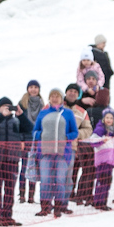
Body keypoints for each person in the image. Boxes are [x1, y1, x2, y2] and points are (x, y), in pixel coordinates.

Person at [32, 88, 78, 218]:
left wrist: (66, 137)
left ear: (62, 98)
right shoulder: (43, 113)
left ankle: (59, 206)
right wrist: (42, 135)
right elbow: (35, 131)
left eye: (57, 96)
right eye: (52, 96)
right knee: (45, 179)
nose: (55, 98)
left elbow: (75, 132)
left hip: (63, 153)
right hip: (45, 152)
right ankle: (45, 206)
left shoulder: (68, 113)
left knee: (60, 179)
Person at [0, 98, 23, 226]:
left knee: (10, 190)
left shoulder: (17, 121)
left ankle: (7, 216)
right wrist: (1, 116)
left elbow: (27, 131)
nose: (7, 109)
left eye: (9, 106)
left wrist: (21, 115)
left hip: (13, 160)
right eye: (4, 106)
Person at [64, 84, 95, 206]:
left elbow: (88, 129)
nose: (72, 93)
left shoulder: (82, 111)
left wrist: (76, 134)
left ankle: (69, 196)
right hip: (56, 147)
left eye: (75, 92)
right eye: (70, 91)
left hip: (73, 147)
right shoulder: (57, 107)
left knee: (71, 172)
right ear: (66, 92)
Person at [86, 108, 114, 210]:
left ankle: (102, 201)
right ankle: (99, 202)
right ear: (103, 118)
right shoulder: (100, 129)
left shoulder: (112, 132)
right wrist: (102, 140)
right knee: (102, 181)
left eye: (111, 118)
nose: (109, 120)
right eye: (107, 117)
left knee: (107, 181)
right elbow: (92, 141)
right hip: (102, 161)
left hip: (110, 161)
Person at [18, 80, 45, 203]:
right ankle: (22, 194)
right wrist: (21, 139)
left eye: (36, 87)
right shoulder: (22, 104)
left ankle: (31, 196)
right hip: (26, 138)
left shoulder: (42, 105)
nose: (33, 89)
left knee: (34, 167)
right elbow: (18, 123)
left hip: (38, 140)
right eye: (31, 87)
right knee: (24, 167)